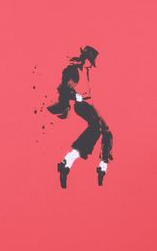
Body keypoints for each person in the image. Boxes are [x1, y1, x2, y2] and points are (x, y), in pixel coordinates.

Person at [47, 45, 113, 188]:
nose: (92, 64)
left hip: (90, 104)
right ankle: (68, 161)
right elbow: (63, 88)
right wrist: (74, 95)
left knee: (106, 131)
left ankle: (102, 165)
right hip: (82, 105)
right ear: (86, 59)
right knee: (96, 127)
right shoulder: (74, 70)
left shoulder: (86, 70)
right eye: (91, 61)